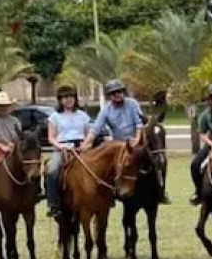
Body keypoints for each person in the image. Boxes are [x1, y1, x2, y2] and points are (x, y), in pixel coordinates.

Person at [85, 78, 164, 202]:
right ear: (110, 95)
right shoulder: (106, 109)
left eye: (120, 91)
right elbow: (95, 129)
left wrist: (137, 140)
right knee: (105, 164)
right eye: (114, 93)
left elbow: (139, 123)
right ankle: (109, 194)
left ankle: (160, 191)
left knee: (158, 160)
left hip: (136, 142)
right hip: (119, 145)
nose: (118, 94)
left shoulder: (132, 103)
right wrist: (86, 143)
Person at [45, 84, 91, 219]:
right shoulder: (54, 117)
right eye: (65, 97)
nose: (68, 100)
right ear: (60, 100)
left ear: (75, 99)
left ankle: (107, 198)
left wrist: (86, 145)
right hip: (62, 148)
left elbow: (90, 134)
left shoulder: (83, 115)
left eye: (71, 97)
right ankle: (53, 204)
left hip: (81, 147)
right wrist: (61, 146)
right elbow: (51, 138)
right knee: (52, 171)